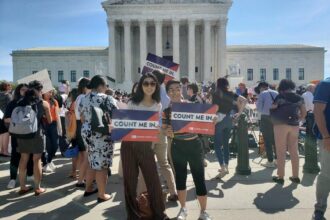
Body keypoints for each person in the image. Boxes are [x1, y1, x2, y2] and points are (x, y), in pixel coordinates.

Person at [120, 72, 169, 220]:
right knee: (130, 182)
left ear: (156, 86)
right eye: (146, 83)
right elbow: (126, 123)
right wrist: (116, 126)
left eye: (152, 83)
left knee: (153, 180)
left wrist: (162, 130)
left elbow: (156, 126)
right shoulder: (132, 103)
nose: (149, 86)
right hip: (129, 145)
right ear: (141, 86)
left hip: (147, 146)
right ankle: (133, 216)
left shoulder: (157, 104)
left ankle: (160, 214)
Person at [164, 79, 211, 220]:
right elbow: (164, 129)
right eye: (171, 90)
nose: (174, 92)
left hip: (194, 145)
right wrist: (167, 130)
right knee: (180, 179)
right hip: (177, 146)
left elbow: (204, 121)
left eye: (177, 89)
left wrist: (211, 119)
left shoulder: (192, 106)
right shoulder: (167, 111)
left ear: (181, 90)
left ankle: (203, 212)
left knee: (199, 179)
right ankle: (183, 209)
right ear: (167, 93)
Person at [136, 69, 178, 202]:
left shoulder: (149, 94)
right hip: (161, 130)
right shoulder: (164, 94)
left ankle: (141, 195)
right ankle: (173, 191)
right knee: (164, 164)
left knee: (145, 165)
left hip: (148, 133)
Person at [80, 75, 117, 202]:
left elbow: (82, 116)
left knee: (92, 160)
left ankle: (88, 188)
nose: (107, 88)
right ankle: (102, 194)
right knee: (103, 165)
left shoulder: (84, 98)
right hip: (102, 133)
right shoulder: (108, 98)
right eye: (106, 85)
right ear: (101, 86)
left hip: (87, 132)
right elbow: (116, 115)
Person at [17, 80, 52, 196]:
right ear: (40, 90)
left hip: (22, 134)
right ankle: (38, 188)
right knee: (37, 160)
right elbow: (50, 120)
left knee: (23, 159)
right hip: (37, 133)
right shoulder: (43, 103)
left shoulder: (20, 101)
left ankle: (23, 187)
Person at [271, 79, 307, 184]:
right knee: (294, 151)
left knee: (281, 151)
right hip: (294, 125)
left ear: (281, 87)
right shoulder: (299, 97)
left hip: (280, 125)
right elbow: (304, 113)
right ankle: (295, 176)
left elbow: (273, 108)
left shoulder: (280, 96)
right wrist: (298, 119)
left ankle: (280, 177)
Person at [212, 77, 247, 178]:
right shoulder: (231, 93)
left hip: (219, 119)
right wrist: (239, 113)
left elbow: (215, 108)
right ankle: (226, 166)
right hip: (229, 119)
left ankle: (223, 167)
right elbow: (244, 100)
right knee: (226, 144)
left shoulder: (216, 93)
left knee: (217, 145)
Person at [4, 83, 34, 189]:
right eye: (22, 90)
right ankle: (12, 179)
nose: (24, 91)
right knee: (15, 157)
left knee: (29, 155)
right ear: (18, 91)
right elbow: (6, 118)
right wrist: (18, 120)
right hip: (16, 134)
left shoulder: (31, 103)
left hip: (28, 134)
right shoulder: (12, 103)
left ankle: (30, 174)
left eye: (26, 90)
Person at [312, 78, 330, 220]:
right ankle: (320, 209)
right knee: (326, 174)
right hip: (328, 137)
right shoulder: (325, 84)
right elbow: (318, 111)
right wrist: (326, 137)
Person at [256, 81, 279, 168]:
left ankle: (270, 161)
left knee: (267, 139)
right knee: (275, 139)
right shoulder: (276, 93)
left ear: (262, 87)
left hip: (266, 117)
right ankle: (277, 160)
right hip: (276, 118)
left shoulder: (263, 94)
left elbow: (259, 108)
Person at [74, 77, 91, 188]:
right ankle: (81, 180)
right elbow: (82, 115)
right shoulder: (83, 97)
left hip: (78, 125)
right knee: (86, 156)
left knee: (82, 155)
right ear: (86, 87)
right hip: (82, 125)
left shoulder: (78, 97)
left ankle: (83, 177)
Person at [42, 90, 62, 172]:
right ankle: (46, 163)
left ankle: (48, 161)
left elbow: (58, 115)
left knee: (55, 145)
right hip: (44, 124)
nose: (50, 94)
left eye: (51, 92)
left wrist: (60, 127)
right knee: (47, 146)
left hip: (53, 124)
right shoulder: (40, 101)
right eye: (48, 92)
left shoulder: (54, 101)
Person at [0, 81, 12, 157]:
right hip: (5, 117)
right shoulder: (8, 95)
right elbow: (10, 106)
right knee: (5, 133)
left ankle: (1, 150)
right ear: (6, 87)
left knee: (1, 133)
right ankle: (5, 151)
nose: (10, 87)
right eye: (9, 86)